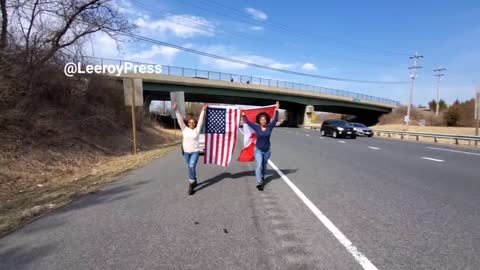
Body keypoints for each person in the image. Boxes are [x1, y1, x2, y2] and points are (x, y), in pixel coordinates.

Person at [242, 101, 280, 191]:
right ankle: (259, 182)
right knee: (259, 165)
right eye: (261, 119)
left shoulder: (270, 127)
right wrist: (243, 115)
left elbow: (275, 120)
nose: (263, 120)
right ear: (259, 120)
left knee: (264, 165)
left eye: (264, 119)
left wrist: (277, 110)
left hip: (267, 151)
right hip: (258, 150)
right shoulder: (257, 127)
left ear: (266, 120)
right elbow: (248, 122)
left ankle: (262, 177)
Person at [173, 103, 207, 195]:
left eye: (193, 122)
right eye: (190, 122)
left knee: (191, 166)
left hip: (195, 152)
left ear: (195, 124)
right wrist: (176, 111)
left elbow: (200, 121)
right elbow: (180, 120)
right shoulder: (184, 129)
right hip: (186, 153)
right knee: (190, 167)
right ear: (188, 123)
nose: (192, 124)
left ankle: (191, 184)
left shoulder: (197, 130)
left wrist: (203, 110)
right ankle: (194, 179)